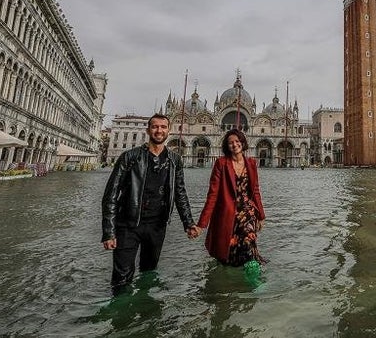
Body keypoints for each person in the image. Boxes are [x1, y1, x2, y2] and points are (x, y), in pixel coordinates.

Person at [101, 113, 199, 293]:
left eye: (163, 127)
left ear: (169, 130)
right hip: (128, 225)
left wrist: (189, 223)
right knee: (122, 277)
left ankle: (145, 313)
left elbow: (180, 192)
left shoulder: (174, 160)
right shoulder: (130, 157)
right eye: (155, 127)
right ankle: (120, 315)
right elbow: (111, 195)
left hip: (157, 226)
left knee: (148, 272)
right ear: (148, 130)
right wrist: (108, 231)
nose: (159, 130)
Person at [197, 129, 266, 269]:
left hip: (247, 212)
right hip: (228, 212)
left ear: (242, 142)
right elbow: (213, 194)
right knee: (230, 249)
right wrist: (202, 224)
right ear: (226, 146)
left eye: (237, 141)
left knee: (248, 242)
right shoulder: (221, 163)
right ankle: (231, 283)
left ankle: (255, 281)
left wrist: (261, 215)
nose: (234, 145)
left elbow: (255, 191)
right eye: (230, 143)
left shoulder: (251, 163)